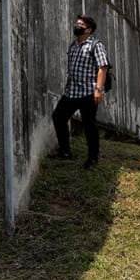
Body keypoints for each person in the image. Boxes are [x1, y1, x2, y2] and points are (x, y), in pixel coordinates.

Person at [51, 15, 109, 169]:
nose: (77, 26)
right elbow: (72, 69)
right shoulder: (74, 45)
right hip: (72, 92)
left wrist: (99, 89)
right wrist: (67, 86)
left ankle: (93, 158)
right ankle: (65, 152)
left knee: (89, 125)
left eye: (81, 24)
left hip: (89, 92)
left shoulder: (96, 45)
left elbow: (103, 67)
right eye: (77, 23)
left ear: (88, 29)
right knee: (58, 117)